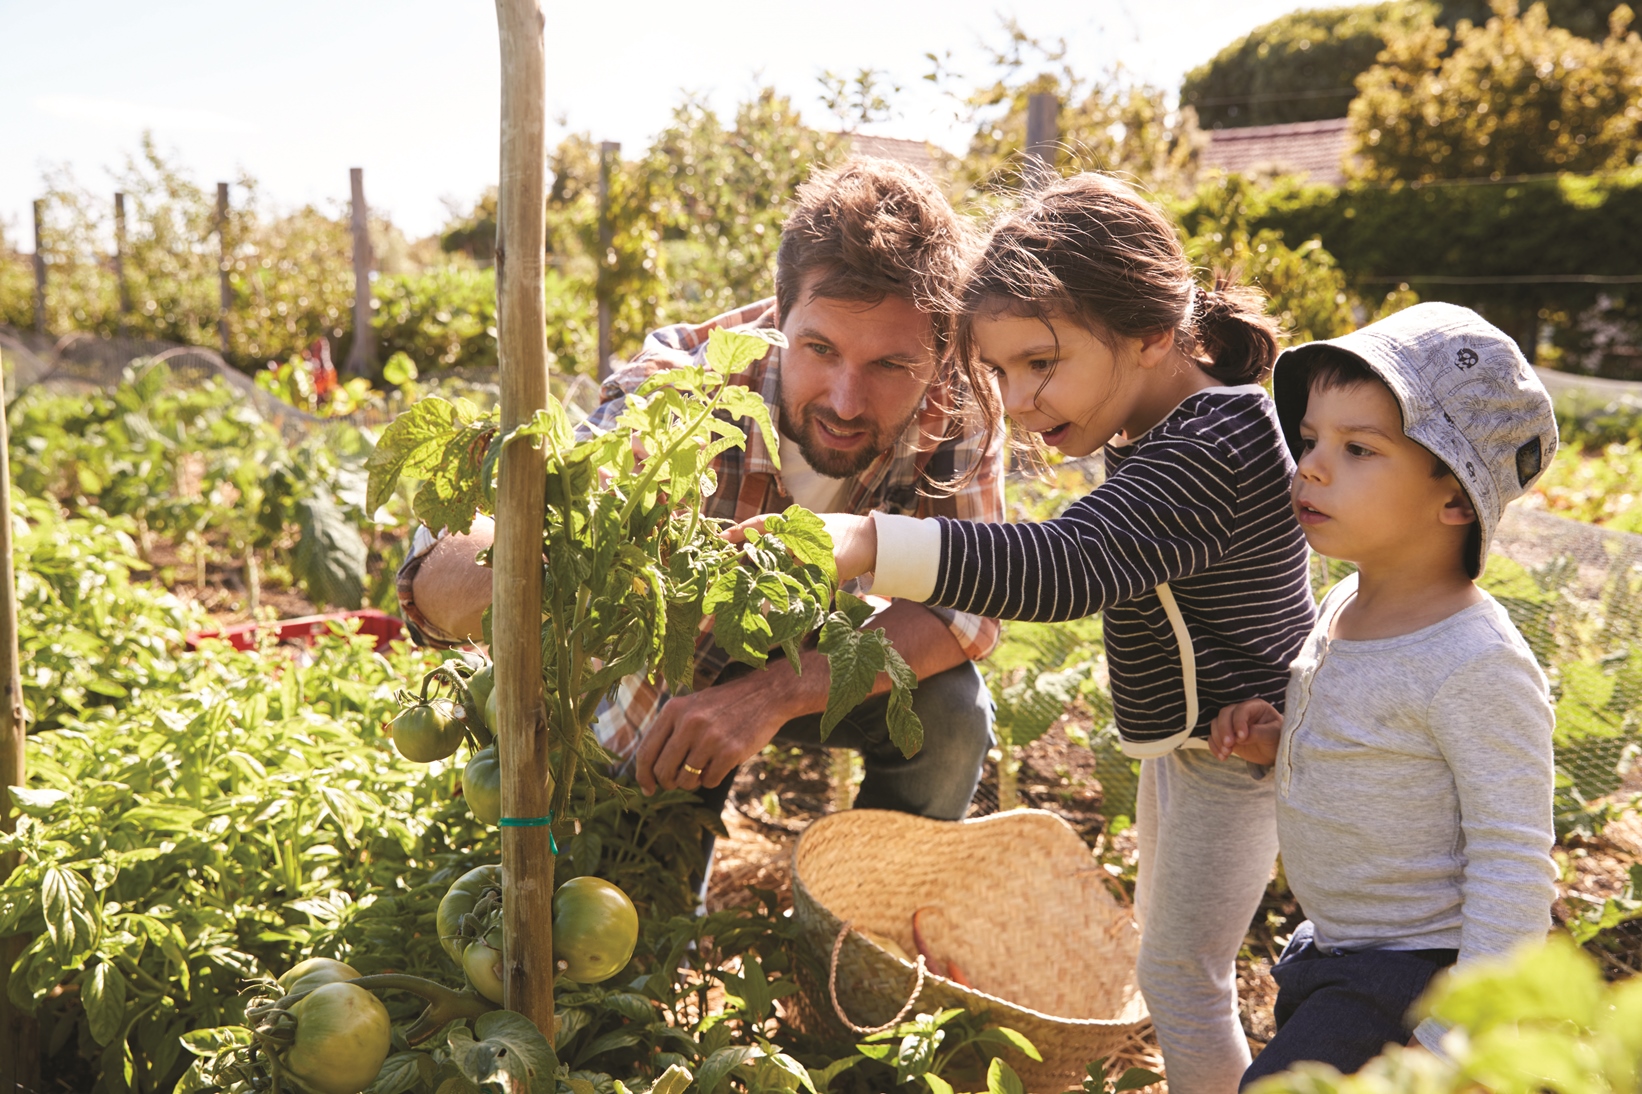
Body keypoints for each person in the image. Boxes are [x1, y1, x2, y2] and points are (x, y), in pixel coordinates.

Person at [767, 173, 1318, 1094]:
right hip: (1199, 749)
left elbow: (1066, 565)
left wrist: (866, 543)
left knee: (1186, 982)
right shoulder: (1170, 425)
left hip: (1238, 755)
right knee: (1180, 966)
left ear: (1151, 334)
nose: (1017, 400)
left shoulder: (1214, 442)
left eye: (1040, 362)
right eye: (1002, 371)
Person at [397, 157, 1005, 829]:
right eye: (820, 349)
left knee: (951, 712)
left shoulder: (960, 403)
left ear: (941, 347)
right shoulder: (684, 387)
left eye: (891, 364)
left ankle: (870, 915)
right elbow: (501, 543)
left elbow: (965, 608)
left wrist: (771, 694)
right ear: (779, 313)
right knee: (643, 895)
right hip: (675, 679)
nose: (845, 399)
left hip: (815, 653)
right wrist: (495, 567)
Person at [1210, 303, 1558, 1086]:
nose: (1312, 466)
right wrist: (1282, 738)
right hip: (1336, 951)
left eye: (1358, 448)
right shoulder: (1344, 604)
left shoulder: (1475, 662)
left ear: (1456, 500)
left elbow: (1514, 864)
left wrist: (1451, 1039)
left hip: (1414, 979)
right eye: (1310, 440)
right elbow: (1374, 744)